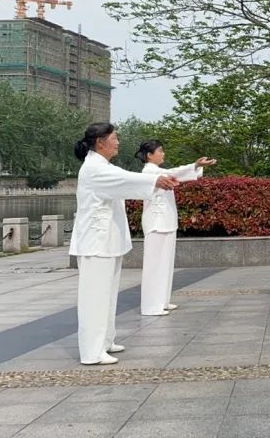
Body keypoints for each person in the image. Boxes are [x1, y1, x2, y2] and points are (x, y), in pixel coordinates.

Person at [71, 123, 179, 365]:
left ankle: (105, 341)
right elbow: (126, 179)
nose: (118, 142)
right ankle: (91, 351)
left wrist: (156, 181)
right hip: (95, 242)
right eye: (114, 138)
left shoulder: (103, 165)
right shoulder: (94, 168)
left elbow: (123, 180)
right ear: (100, 142)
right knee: (95, 299)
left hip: (106, 241)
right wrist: (154, 182)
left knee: (107, 296)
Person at [136, 140, 216, 317]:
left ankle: (162, 300)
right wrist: (194, 165)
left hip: (166, 221)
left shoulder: (158, 171)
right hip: (156, 223)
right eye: (160, 151)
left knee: (165, 263)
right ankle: (151, 306)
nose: (163, 154)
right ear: (149, 155)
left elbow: (174, 174)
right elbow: (173, 173)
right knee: (154, 265)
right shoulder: (149, 171)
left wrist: (195, 167)